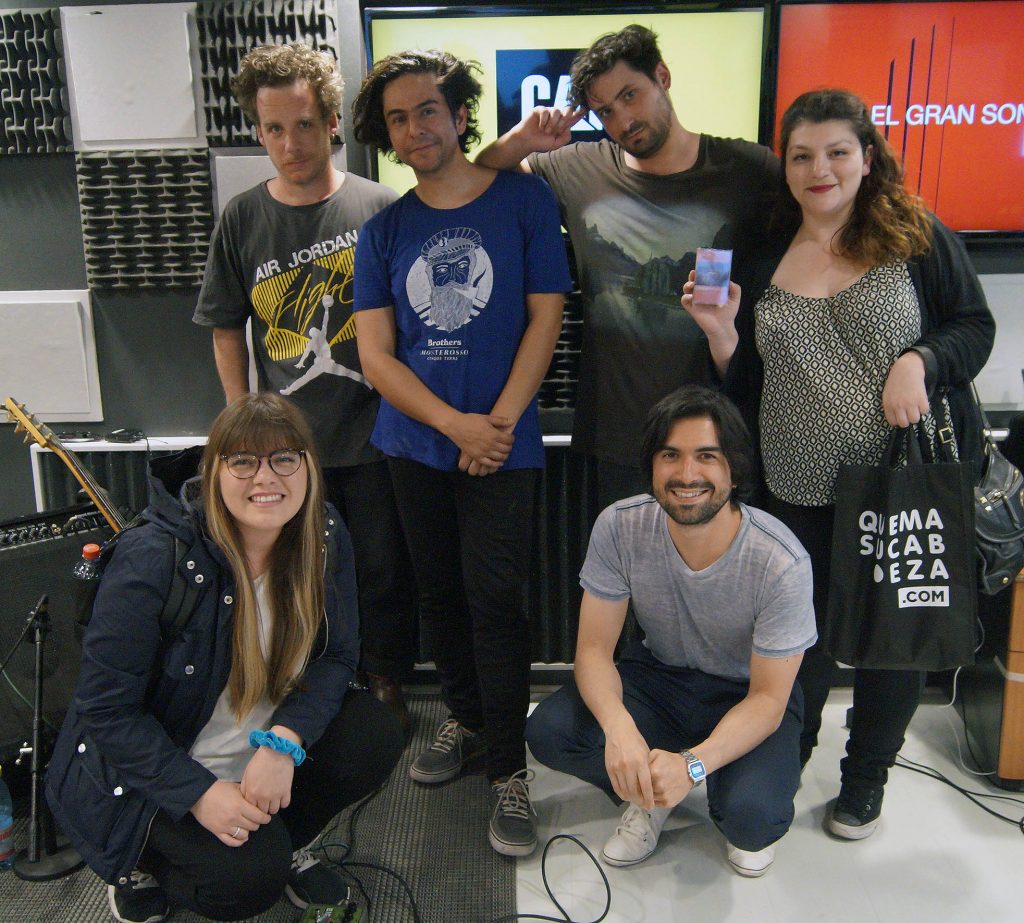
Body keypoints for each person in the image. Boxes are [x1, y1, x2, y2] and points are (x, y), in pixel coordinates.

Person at [682, 88, 995, 840]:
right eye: (801, 156)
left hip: (897, 481)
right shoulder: (754, 244)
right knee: (799, 640)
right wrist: (721, 335)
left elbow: (973, 325)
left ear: (867, 157)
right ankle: (786, 759)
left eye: (837, 152)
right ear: (783, 165)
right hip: (794, 486)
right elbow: (741, 383)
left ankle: (866, 779)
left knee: (894, 639)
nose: (819, 169)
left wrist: (920, 361)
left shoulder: (915, 234)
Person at [46, 393, 404, 923]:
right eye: (244, 461)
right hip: (161, 764)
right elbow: (106, 712)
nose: (266, 477)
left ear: (309, 467)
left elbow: (336, 657)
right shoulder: (153, 558)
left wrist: (283, 742)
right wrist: (197, 793)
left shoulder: (323, 532)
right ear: (213, 470)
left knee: (375, 732)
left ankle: (281, 841)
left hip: (256, 744)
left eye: (284, 458)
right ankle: (142, 863)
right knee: (244, 884)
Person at [350, 49, 571, 856]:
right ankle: (468, 720)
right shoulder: (382, 232)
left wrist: (497, 424)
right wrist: (455, 426)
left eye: (428, 110)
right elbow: (377, 358)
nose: (416, 127)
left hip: (503, 443)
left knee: (497, 602)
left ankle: (508, 768)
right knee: (439, 596)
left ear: (459, 115)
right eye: (399, 118)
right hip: (416, 444)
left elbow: (546, 317)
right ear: (387, 135)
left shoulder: (523, 200)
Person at [193, 42, 417, 732]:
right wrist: (242, 419)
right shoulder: (242, 218)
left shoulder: (381, 206)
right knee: (296, 574)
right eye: (274, 129)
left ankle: (384, 680)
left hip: (377, 437)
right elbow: (225, 326)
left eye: (304, 125)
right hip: (286, 450)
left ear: (331, 123)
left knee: (381, 570)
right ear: (258, 131)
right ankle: (310, 687)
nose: (290, 144)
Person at [476, 24, 779, 510]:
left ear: (663, 76)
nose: (622, 120)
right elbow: (482, 177)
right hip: (616, 436)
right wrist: (522, 139)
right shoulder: (579, 168)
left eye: (630, 95)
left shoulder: (747, 168)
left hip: (714, 437)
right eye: (605, 112)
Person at [526, 386, 816, 877]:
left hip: (746, 693)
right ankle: (651, 795)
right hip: (660, 679)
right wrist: (620, 731)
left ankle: (693, 776)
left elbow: (769, 700)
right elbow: (593, 651)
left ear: (733, 469)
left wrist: (694, 765)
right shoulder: (620, 526)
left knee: (752, 820)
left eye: (707, 456)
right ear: (652, 466)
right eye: (670, 455)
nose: (687, 474)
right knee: (551, 731)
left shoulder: (780, 560)